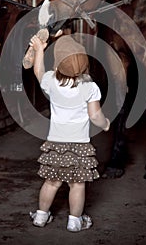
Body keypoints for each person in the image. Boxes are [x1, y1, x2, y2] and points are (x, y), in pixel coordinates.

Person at [29, 33, 110, 232]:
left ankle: (41, 216)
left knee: (51, 182)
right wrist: (106, 123)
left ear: (57, 64)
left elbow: (38, 71)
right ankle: (75, 220)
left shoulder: (51, 82)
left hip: (55, 144)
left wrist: (39, 50)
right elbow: (95, 116)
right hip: (80, 146)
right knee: (77, 185)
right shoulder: (90, 87)